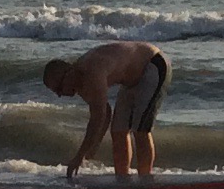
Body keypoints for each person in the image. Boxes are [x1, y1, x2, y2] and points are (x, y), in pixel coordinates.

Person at [42, 40, 170, 180]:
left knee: (140, 129)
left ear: (68, 74)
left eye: (59, 88)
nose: (60, 95)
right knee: (118, 130)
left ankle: (145, 179)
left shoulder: (91, 72)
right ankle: (122, 179)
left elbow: (97, 117)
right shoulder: (79, 83)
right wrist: (93, 147)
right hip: (130, 80)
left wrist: (79, 156)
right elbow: (105, 112)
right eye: (57, 92)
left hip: (153, 63)